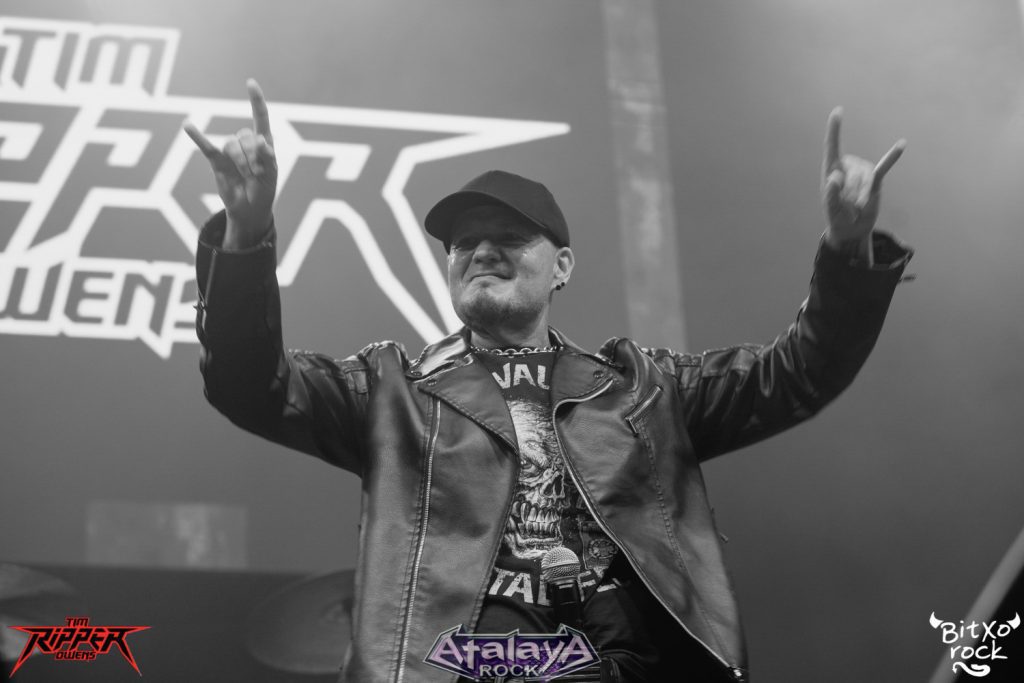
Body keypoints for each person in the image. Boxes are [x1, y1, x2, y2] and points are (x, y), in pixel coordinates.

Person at [185, 80, 912, 683]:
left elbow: (798, 375)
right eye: (464, 242)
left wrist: (847, 250)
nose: (481, 251)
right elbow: (249, 384)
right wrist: (246, 235)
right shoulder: (392, 392)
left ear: (561, 266)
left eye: (508, 237)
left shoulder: (642, 389)